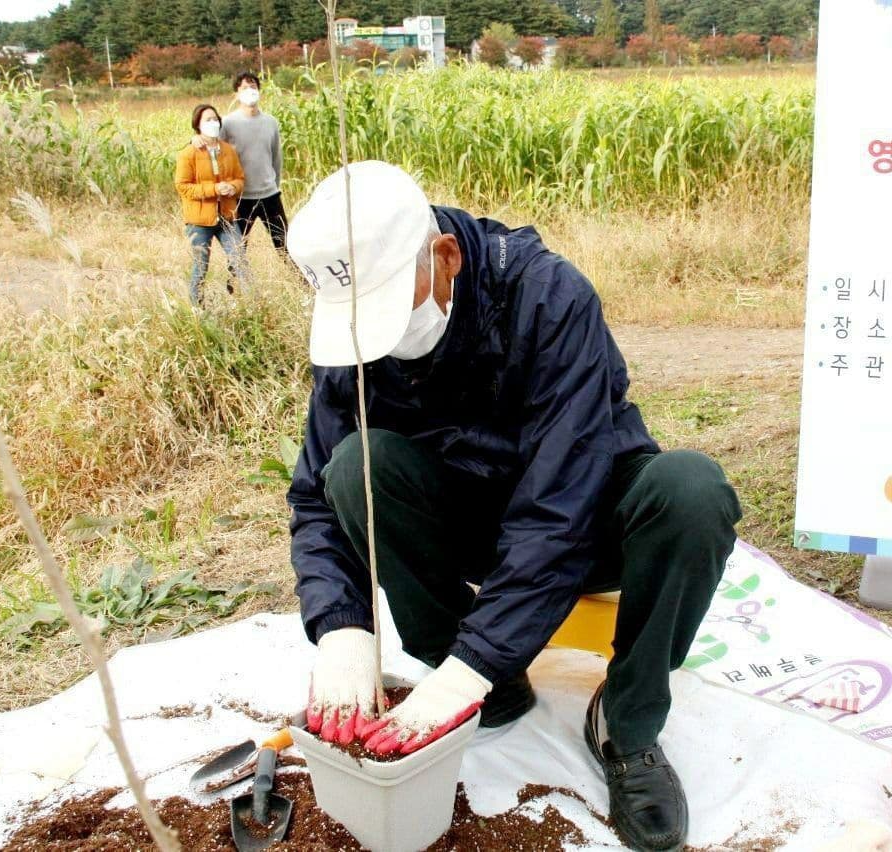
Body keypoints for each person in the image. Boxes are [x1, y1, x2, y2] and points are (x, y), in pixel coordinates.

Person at [286, 161, 741, 852]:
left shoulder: (548, 298)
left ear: (446, 257)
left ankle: (628, 720)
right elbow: (318, 493)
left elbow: (561, 506)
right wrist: (342, 628)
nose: (383, 339)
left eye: (392, 309)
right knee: (357, 469)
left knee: (691, 492)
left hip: (586, 521)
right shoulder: (352, 342)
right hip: (473, 524)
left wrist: (480, 656)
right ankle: (484, 684)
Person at [194, 71, 292, 271]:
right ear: (236, 94)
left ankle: (303, 286)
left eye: (253, 87)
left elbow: (276, 158)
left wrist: (274, 183)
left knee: (285, 245)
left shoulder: (270, 122)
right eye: (244, 88)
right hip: (241, 198)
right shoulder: (228, 123)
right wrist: (194, 140)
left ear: (259, 90)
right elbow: (211, 144)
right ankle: (233, 291)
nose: (250, 91)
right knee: (238, 250)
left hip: (270, 195)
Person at [174, 104, 248, 306]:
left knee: (240, 260)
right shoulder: (189, 153)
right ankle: (197, 310)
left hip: (227, 216)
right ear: (197, 125)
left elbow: (240, 179)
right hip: (200, 220)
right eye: (207, 120)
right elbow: (183, 186)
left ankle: (250, 306)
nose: (213, 123)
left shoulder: (228, 151)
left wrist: (233, 187)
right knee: (200, 267)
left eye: (215, 119)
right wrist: (213, 189)